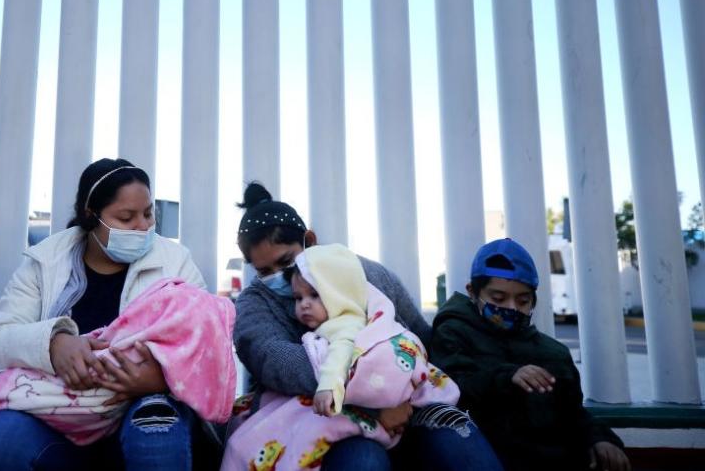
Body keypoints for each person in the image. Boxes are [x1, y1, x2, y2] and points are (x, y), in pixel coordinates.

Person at [232, 182, 502, 470]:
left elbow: (417, 338)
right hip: (317, 415)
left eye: (285, 262)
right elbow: (281, 364)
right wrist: (378, 401)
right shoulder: (254, 305)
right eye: (263, 271)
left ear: (309, 240)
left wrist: (402, 396)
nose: (278, 277)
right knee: (363, 460)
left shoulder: (361, 272)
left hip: (406, 405)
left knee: (457, 435)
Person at [0, 158, 211, 470]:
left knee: (157, 433)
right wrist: (54, 345)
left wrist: (160, 379)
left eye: (148, 213)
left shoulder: (175, 262)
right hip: (54, 411)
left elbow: (206, 343)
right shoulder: (46, 263)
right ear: (90, 215)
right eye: (126, 217)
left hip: (137, 407)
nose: (144, 226)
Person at [222, 245, 460, 470]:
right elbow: (274, 360)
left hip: (396, 404)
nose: (304, 305)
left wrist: (331, 387)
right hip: (371, 414)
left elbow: (344, 356)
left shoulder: (347, 307)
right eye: (298, 298)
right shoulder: (255, 301)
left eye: (314, 295)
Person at [430, 238, 630, 471]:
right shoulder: (452, 333)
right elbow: (450, 385)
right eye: (498, 299)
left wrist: (600, 439)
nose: (512, 308)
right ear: (473, 292)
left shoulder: (554, 354)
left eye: (523, 300)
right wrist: (507, 377)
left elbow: (572, 413)